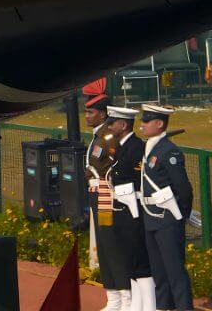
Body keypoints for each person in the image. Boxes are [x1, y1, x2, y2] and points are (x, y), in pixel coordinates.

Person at [138, 104, 193, 311]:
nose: (142, 124)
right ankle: (164, 306)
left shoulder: (169, 151)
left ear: (159, 123)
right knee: (158, 271)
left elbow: (183, 188)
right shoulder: (150, 147)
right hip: (150, 215)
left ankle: (184, 307)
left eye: (147, 121)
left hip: (167, 217)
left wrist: (181, 215)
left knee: (174, 269)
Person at [103, 106, 155, 311]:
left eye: (112, 123)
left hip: (133, 209)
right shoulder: (120, 146)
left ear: (123, 125)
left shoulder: (135, 147)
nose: (109, 127)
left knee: (139, 260)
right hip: (121, 208)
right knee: (130, 260)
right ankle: (137, 305)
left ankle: (149, 306)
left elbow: (135, 178)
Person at [84, 86, 129, 310]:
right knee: (103, 246)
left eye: (91, 112)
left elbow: (109, 166)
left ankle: (124, 297)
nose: (86, 116)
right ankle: (113, 297)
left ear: (102, 114)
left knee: (111, 245)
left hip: (105, 194)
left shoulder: (107, 137)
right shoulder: (98, 136)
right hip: (97, 193)